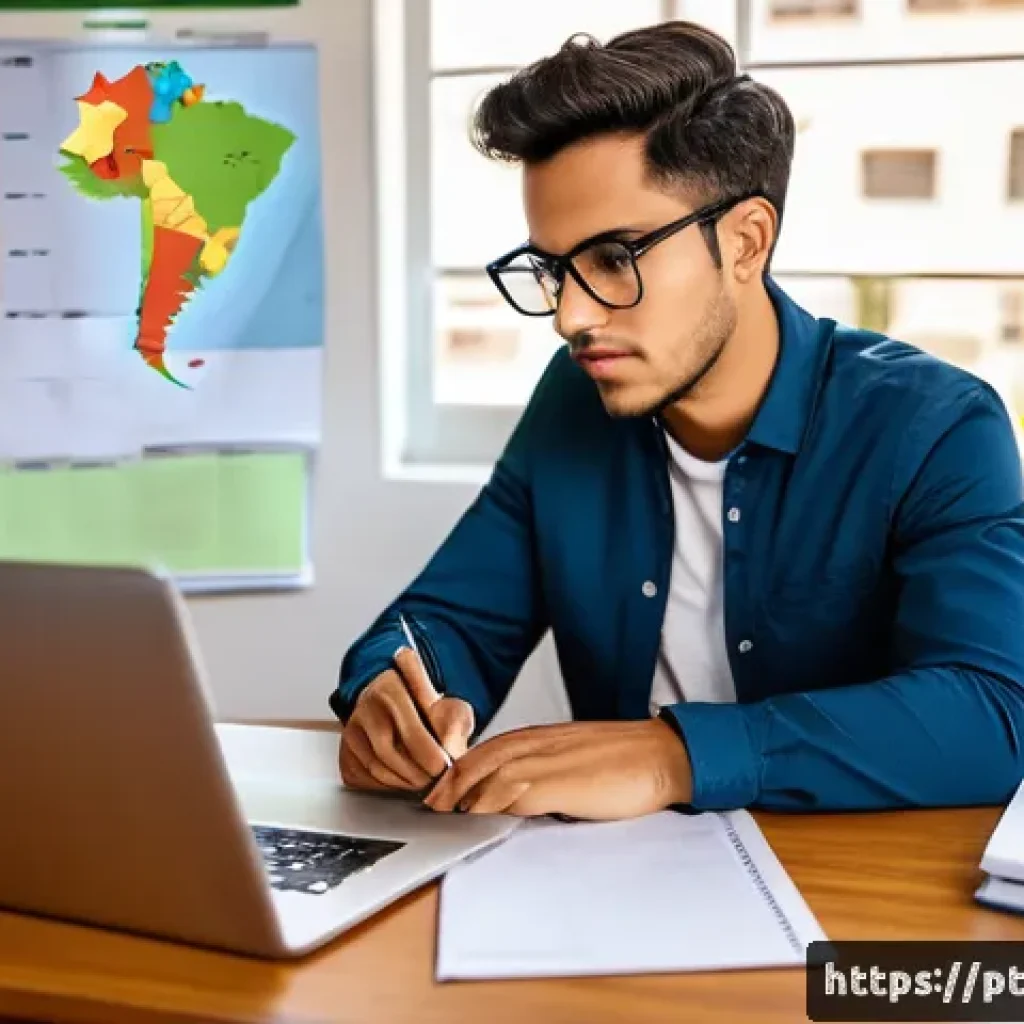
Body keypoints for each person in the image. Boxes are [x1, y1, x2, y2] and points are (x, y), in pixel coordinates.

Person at [329, 20, 1024, 820]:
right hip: (621, 890)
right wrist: (391, 688)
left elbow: (992, 712)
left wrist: (674, 757)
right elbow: (451, 616)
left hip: (846, 893)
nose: (569, 316)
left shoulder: (937, 425)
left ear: (746, 241)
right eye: (554, 268)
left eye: (614, 259)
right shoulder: (576, 397)